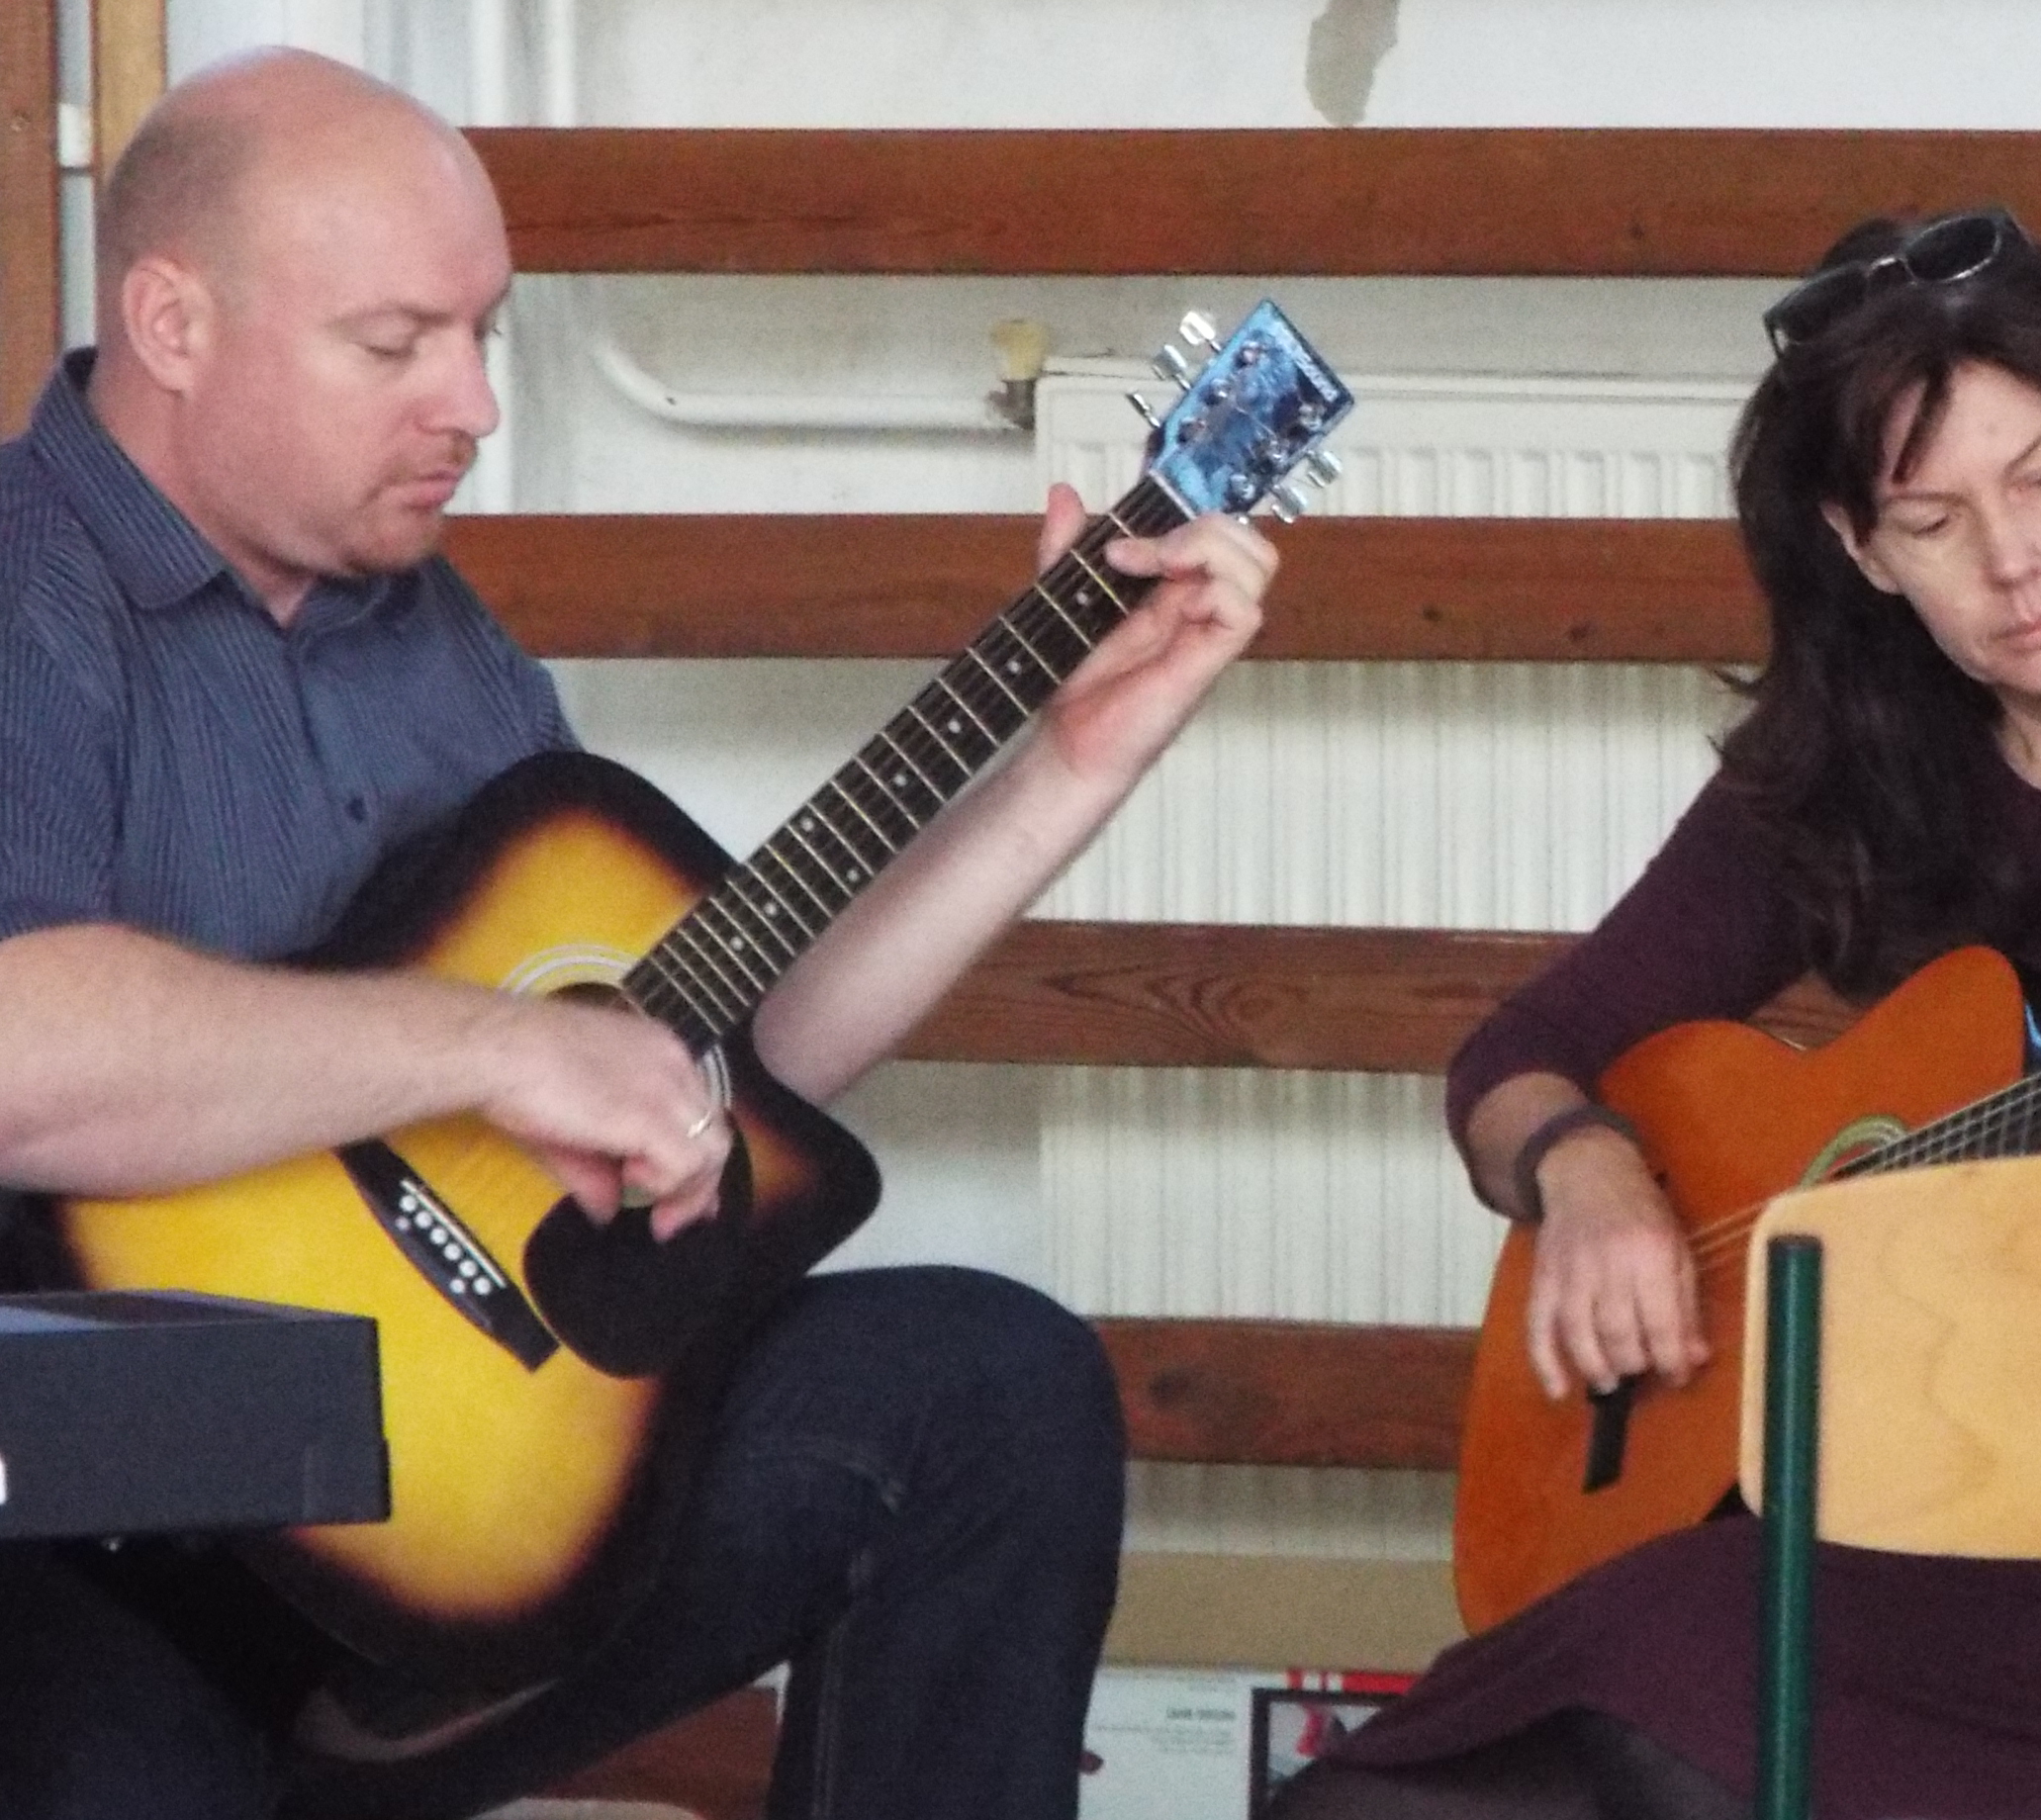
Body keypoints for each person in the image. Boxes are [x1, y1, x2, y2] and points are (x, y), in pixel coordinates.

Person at [0, 48, 1277, 1820]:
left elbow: (697, 1060)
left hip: (468, 1501)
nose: (471, 403)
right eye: (395, 344)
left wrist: (1069, 768)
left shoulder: (436, 641)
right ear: (173, 322)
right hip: (89, 1533)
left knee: (991, 1387)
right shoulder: (26, 586)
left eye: (483, 334)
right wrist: (497, 1048)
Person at [1270, 209, 2041, 1820]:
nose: (2013, 560)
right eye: (1933, 520)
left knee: (1628, 1704)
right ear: (1861, 550)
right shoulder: (1850, 764)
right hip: (1926, 1509)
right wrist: (1589, 1173)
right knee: (1445, 1772)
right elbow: (1518, 1058)